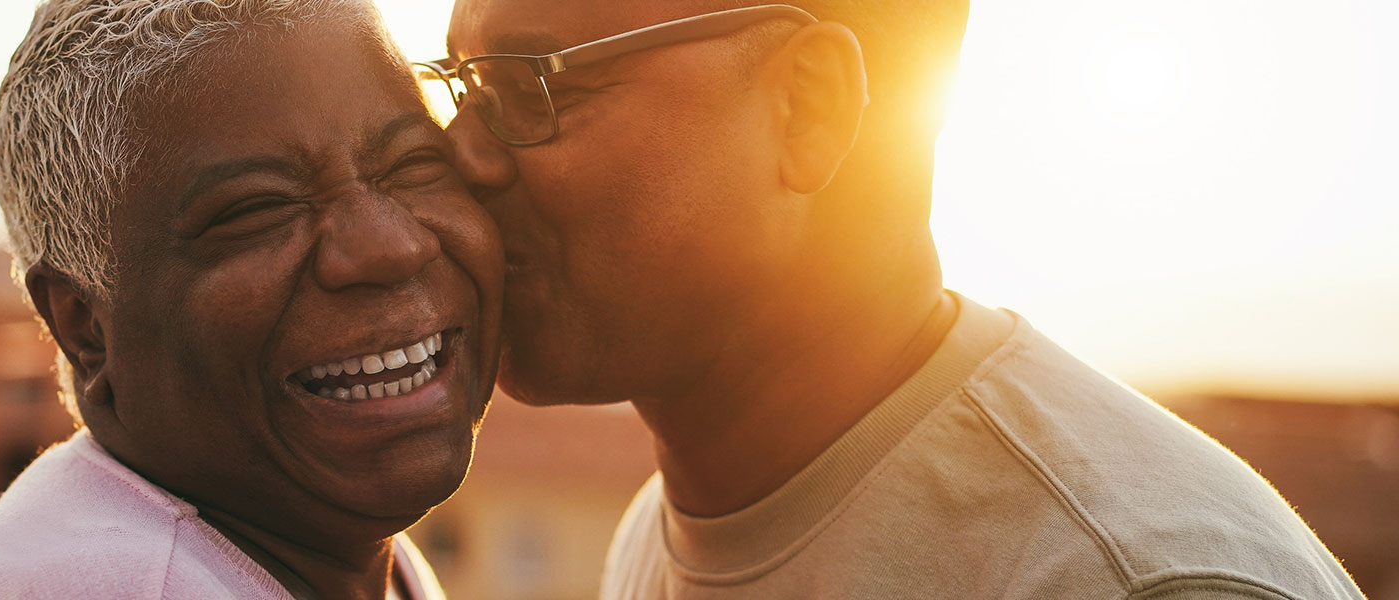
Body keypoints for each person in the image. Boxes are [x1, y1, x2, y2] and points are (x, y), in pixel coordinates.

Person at [426, 1, 1367, 598]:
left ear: (813, 104)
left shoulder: (1127, 580)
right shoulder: (672, 526)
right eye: (457, 87)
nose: (458, 155)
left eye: (524, 87)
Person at [0, 0, 504, 597]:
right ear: (85, 325)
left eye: (414, 163)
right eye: (259, 208)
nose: (392, 246)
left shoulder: (328, 552)